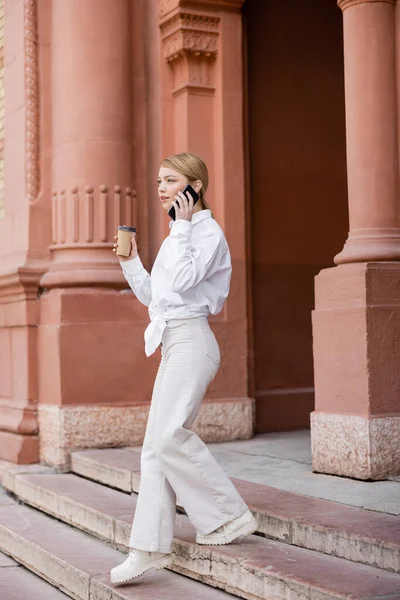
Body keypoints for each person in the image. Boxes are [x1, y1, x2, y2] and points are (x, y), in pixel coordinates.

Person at [110, 152, 258, 585]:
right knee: (155, 447)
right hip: (174, 342)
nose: (161, 188)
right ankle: (146, 549)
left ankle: (227, 516)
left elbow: (182, 283)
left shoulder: (205, 232)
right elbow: (157, 296)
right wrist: (131, 260)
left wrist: (183, 226)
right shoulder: (182, 234)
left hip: (194, 342)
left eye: (170, 180)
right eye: (159, 180)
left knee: (169, 437)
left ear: (194, 186)